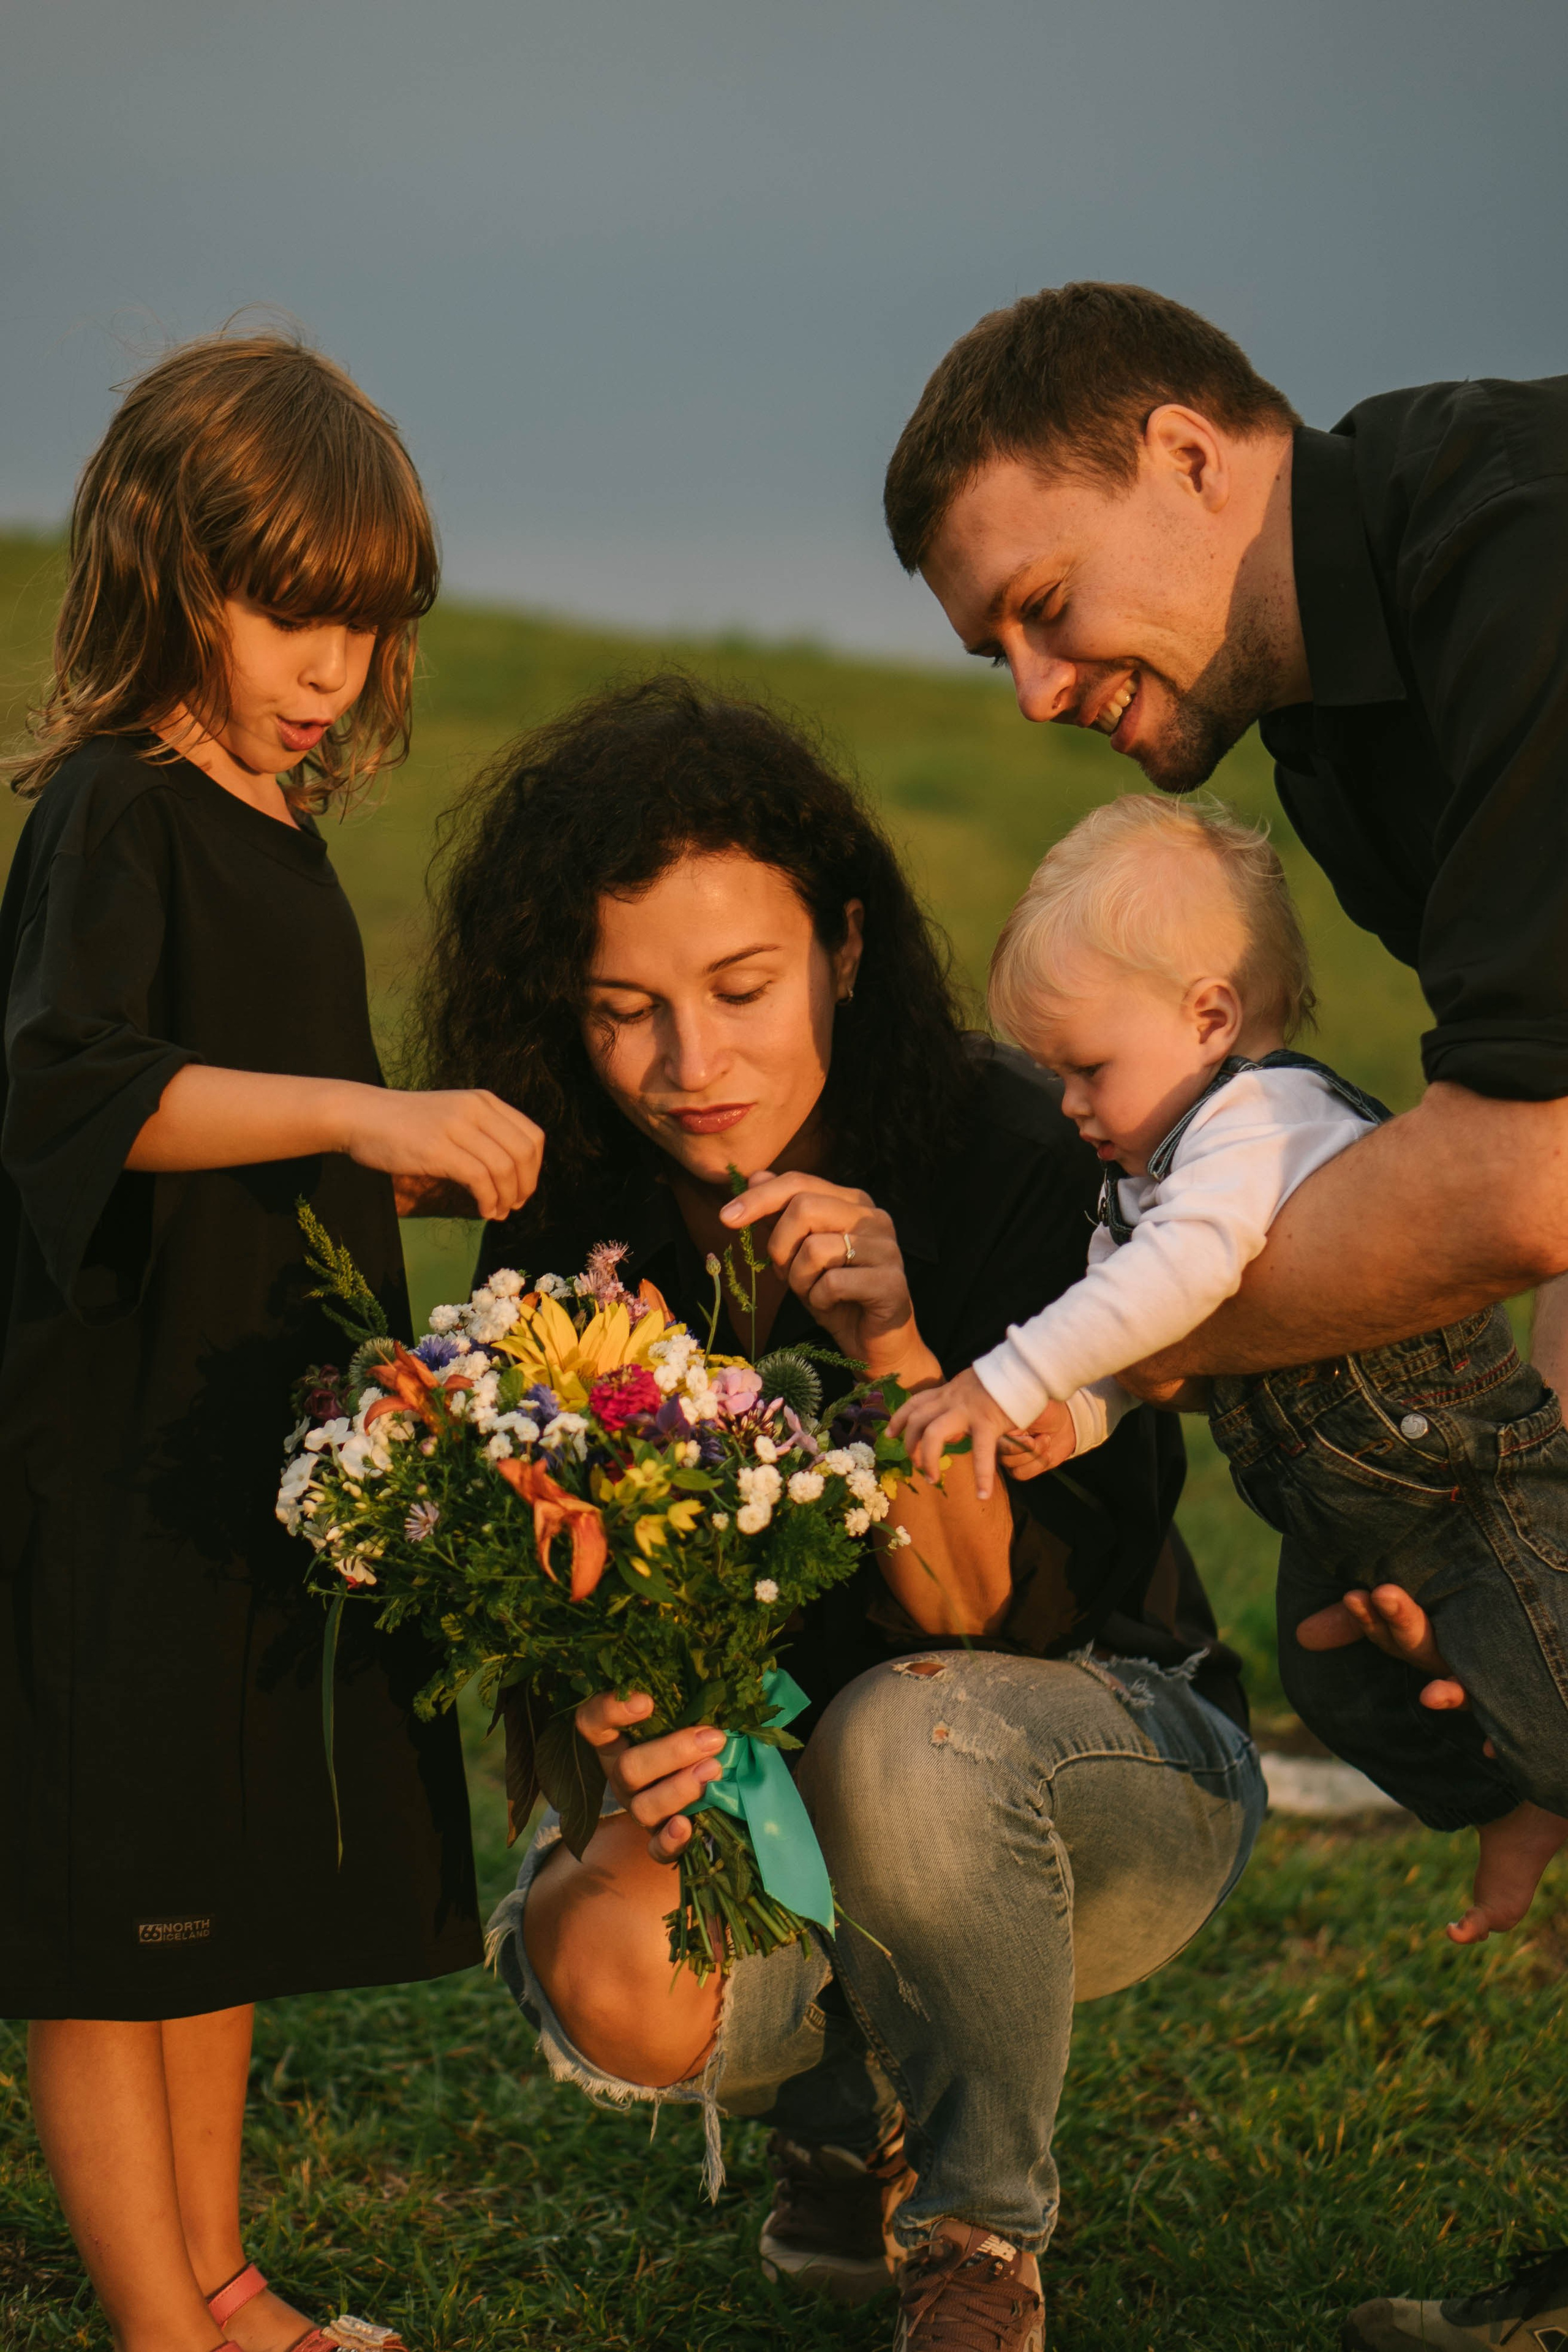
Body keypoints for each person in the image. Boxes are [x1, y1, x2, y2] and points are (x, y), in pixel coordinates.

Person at [414, 673, 1266, 2352]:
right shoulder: (578, 1218)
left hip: (1105, 1777)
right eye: (620, 1009)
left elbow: (986, 1622)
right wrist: (614, 1726)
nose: (690, 1063)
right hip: (792, 1793)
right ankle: (840, 2113)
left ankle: (973, 2248)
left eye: (741, 987)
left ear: (847, 949)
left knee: (910, 1736)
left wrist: (892, 1346)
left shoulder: (1015, 1149)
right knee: (614, 1961)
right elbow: (568, 1611)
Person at [882, 276, 1568, 2352]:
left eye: (1043, 601)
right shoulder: (1345, 744)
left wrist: (1145, 1344)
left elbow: (1522, 1174)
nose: (1026, 684)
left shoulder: (1513, 559)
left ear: (1192, 452)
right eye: (991, 641)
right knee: (1412, 1684)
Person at [0, 332, 542, 2352]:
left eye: (362, 621)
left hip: (250, 1445)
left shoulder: (270, 817)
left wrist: (387, 1174)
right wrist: (357, 1114)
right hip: (118, 1454)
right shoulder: (118, 810)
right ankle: (160, 2327)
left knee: (198, 1892)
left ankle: (228, 2285)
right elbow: (77, 1092)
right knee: (104, 1928)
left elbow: (240, 1118)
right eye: (288, 608)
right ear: (165, 561)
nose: (328, 662)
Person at [895, 790, 1568, 1945]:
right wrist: (1082, 1408)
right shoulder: (1143, 1176)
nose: (1067, 1106)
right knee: (1337, 1683)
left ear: (1209, 1016)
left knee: (1551, 1684)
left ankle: (1544, 1773)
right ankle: (1504, 1802)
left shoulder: (1262, 1121)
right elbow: (1143, 1337)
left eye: (1088, 1068)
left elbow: (1183, 1278)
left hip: (1465, 1483)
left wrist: (1003, 1379)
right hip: (1344, 1517)